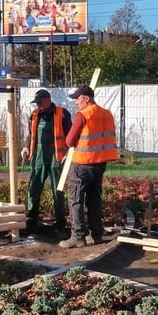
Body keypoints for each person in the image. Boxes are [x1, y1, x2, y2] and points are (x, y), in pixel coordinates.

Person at [59, 85, 119, 248]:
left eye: (78, 99)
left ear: (86, 98)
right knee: (95, 199)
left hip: (82, 164)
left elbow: (69, 141)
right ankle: (96, 234)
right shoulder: (107, 114)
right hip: (100, 164)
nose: (76, 103)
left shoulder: (82, 115)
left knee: (75, 199)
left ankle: (78, 237)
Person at [21, 88, 72, 236]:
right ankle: (31, 223)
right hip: (38, 158)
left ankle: (61, 225)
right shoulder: (34, 115)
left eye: (40, 102)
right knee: (33, 190)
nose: (38, 105)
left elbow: (70, 136)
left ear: (48, 100)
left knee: (58, 192)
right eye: (36, 103)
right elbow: (30, 135)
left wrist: (68, 152)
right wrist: (25, 146)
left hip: (57, 159)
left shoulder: (62, 114)